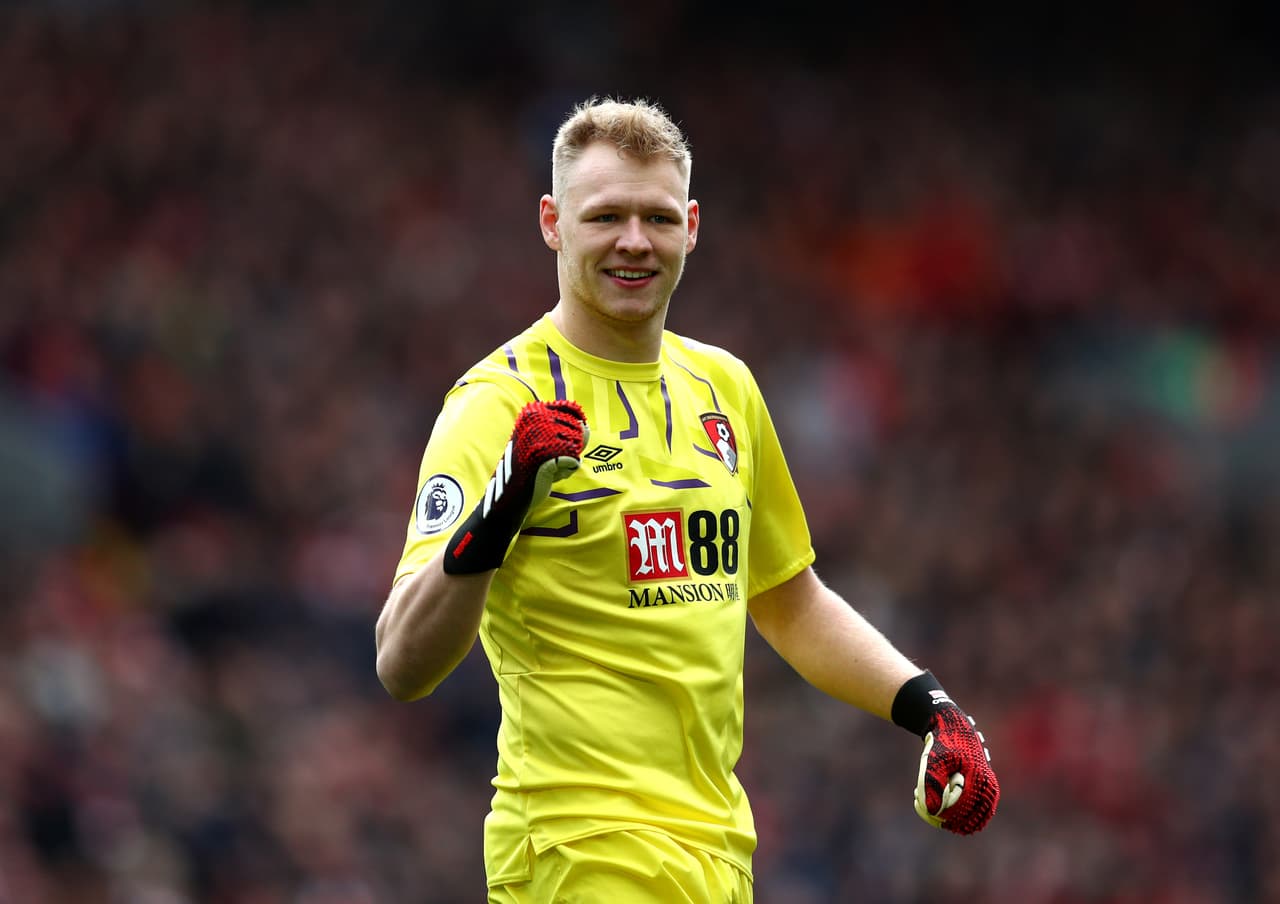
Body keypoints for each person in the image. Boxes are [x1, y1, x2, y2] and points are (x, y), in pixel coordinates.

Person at [375, 96, 1000, 902]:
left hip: (717, 854)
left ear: (693, 226)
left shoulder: (724, 387)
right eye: (605, 216)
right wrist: (497, 509)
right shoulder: (495, 403)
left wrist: (932, 709)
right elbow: (400, 664)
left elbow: (788, 599)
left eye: (658, 218)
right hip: (576, 851)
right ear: (551, 222)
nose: (635, 241)